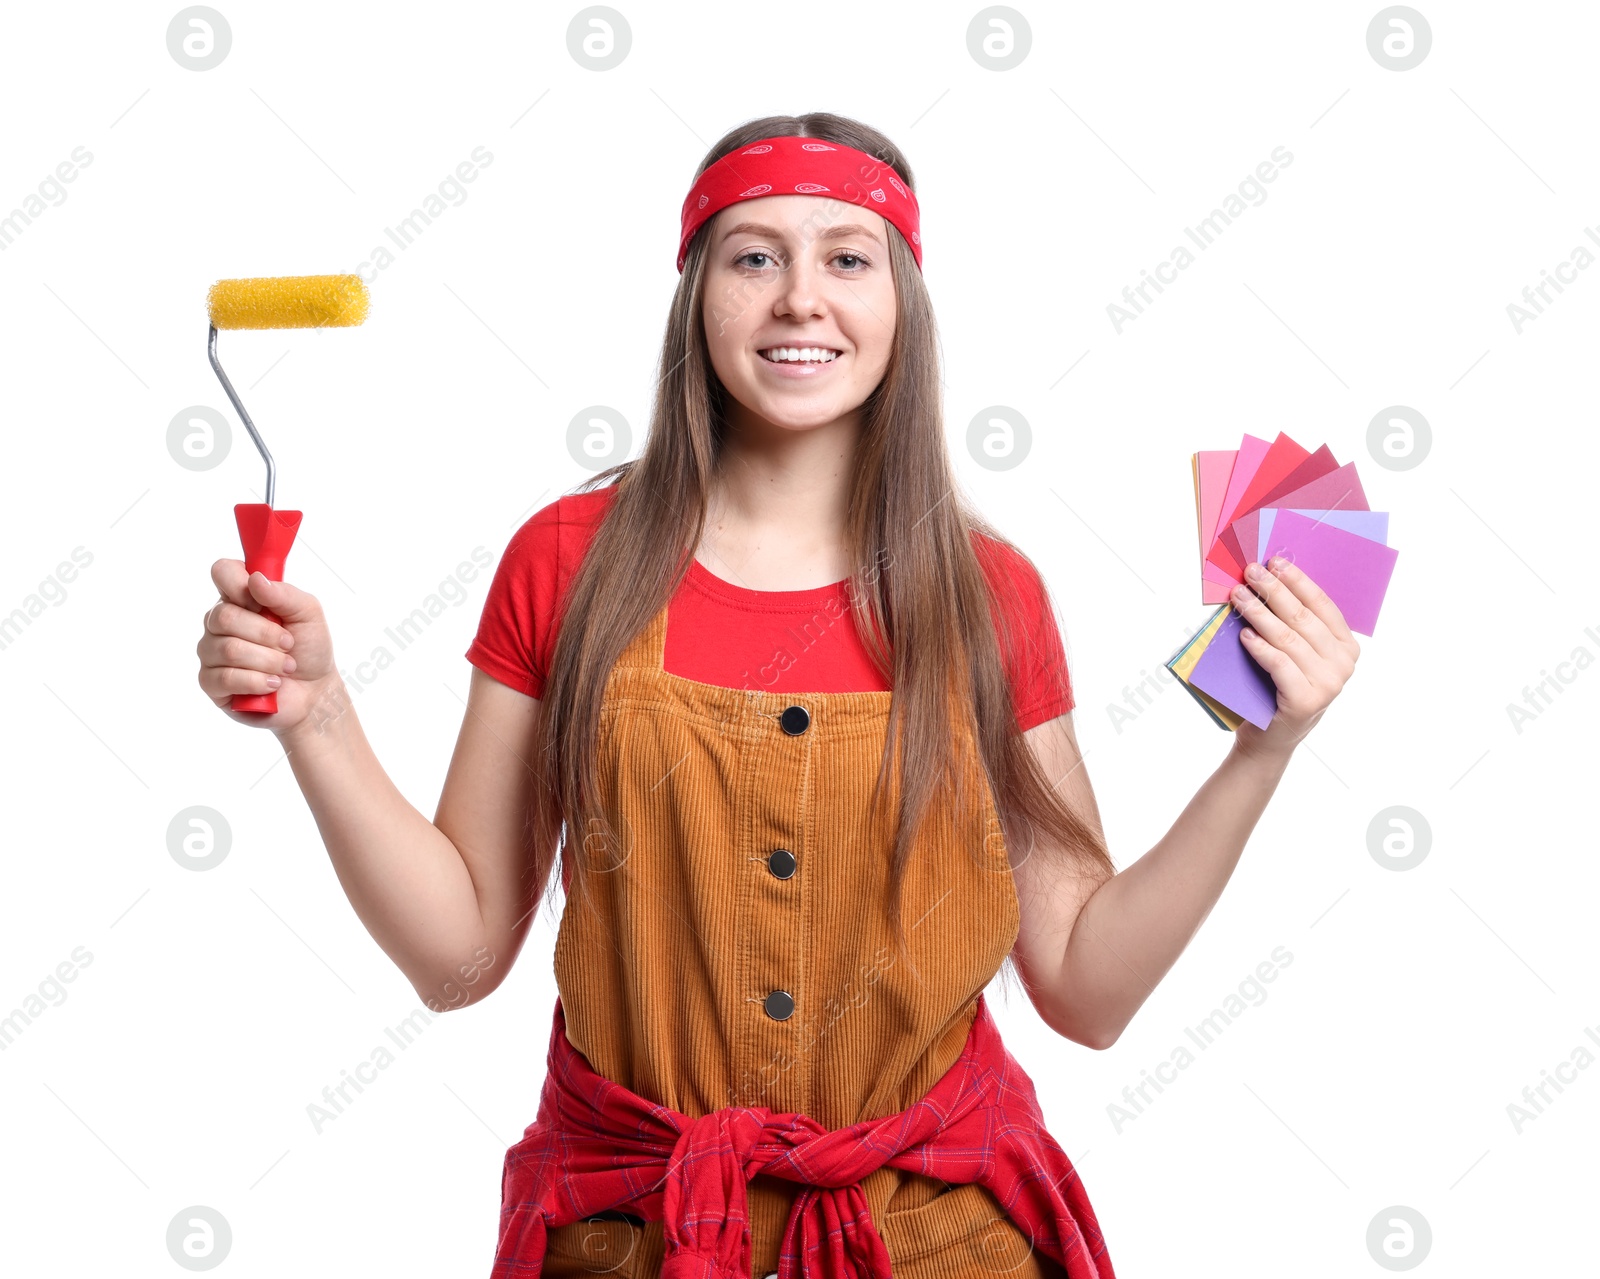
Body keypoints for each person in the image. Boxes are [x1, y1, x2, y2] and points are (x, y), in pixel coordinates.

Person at [195, 113, 1361, 1279]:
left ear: (901, 302)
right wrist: (320, 721)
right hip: (635, 1242)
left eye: (847, 257)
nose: (802, 297)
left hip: (939, 1244)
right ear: (697, 295)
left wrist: (1264, 751)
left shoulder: (990, 598)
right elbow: (455, 961)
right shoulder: (563, 565)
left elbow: (1086, 991)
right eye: (755, 255)